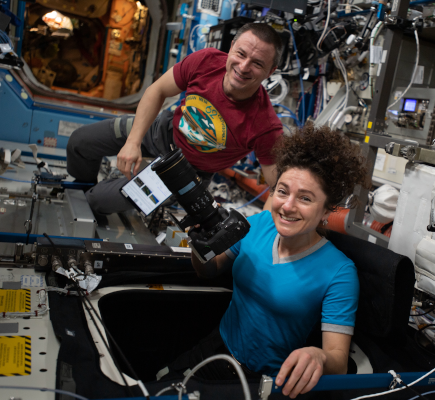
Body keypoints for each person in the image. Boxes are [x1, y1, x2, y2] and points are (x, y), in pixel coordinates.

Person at [161, 124, 368, 398]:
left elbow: (338, 361)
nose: (287, 206)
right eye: (282, 192)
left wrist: (318, 357)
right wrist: (201, 248)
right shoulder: (257, 225)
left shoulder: (339, 272)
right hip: (215, 347)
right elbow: (208, 271)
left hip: (264, 381)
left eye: (305, 198)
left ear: (327, 209)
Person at [66, 23, 284, 214]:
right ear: (231, 47)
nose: (243, 67)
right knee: (79, 142)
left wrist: (261, 232)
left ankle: (95, 195)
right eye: (241, 54)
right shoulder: (206, 61)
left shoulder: (266, 126)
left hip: (186, 173)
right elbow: (157, 90)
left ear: (270, 71)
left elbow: (277, 187)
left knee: (96, 201)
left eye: (257, 64)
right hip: (160, 131)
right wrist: (133, 142)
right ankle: (84, 185)